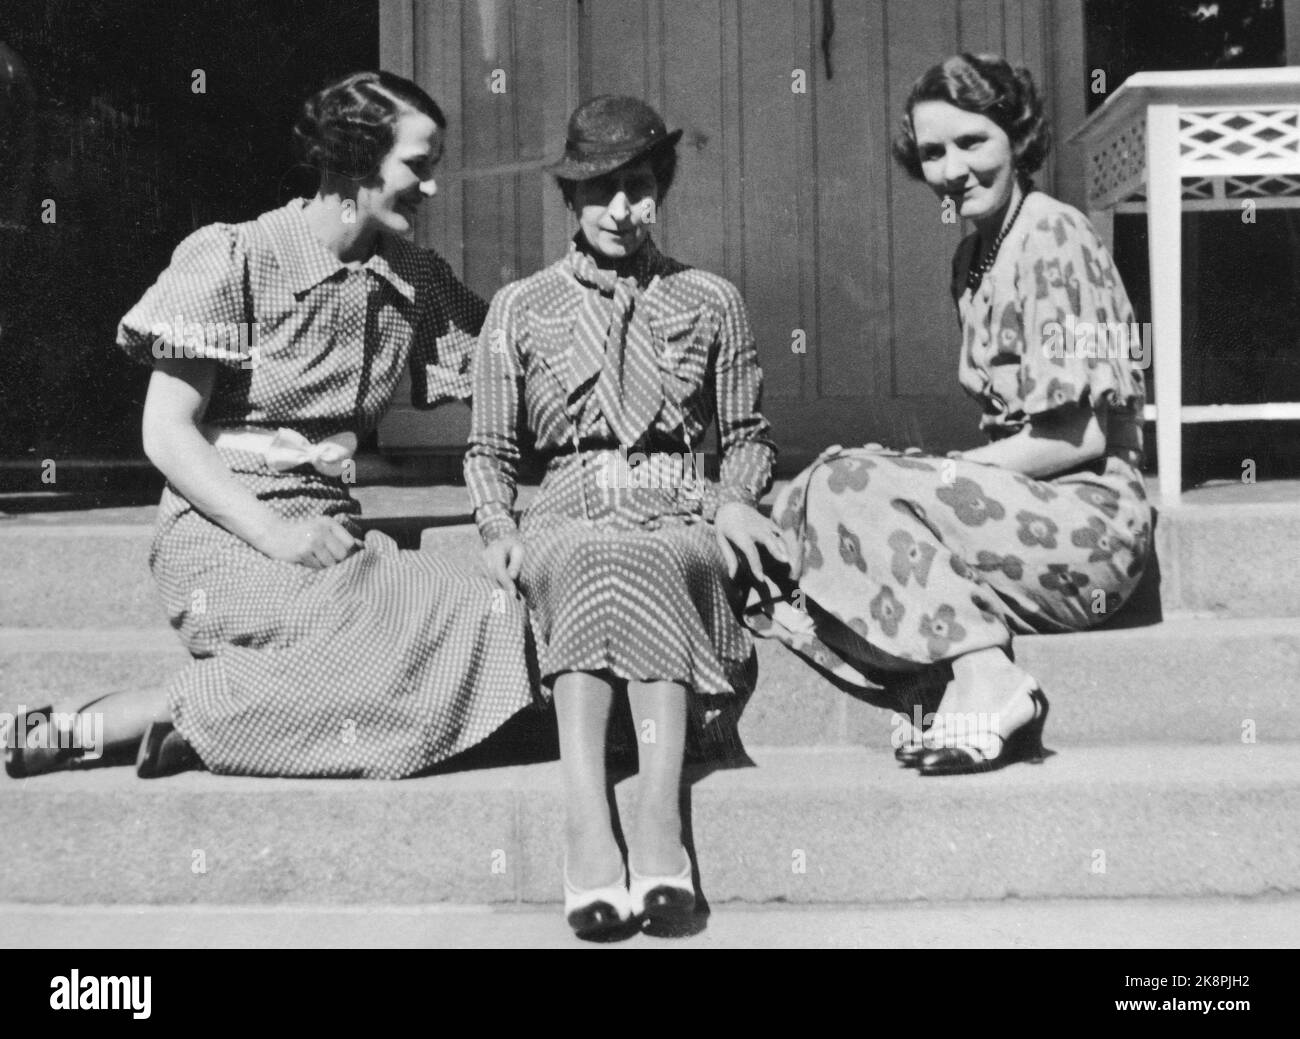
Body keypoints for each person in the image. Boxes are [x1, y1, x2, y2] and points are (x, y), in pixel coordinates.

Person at [4, 71, 536, 780]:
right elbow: (165, 433)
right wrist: (278, 534)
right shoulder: (236, 258)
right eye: (417, 165)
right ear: (352, 158)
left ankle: (174, 713)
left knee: (479, 604)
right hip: (222, 533)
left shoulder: (414, 276)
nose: (431, 186)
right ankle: (115, 719)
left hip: (331, 530)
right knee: (373, 628)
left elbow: (510, 372)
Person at [749, 53, 1152, 776]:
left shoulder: (1054, 235)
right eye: (934, 152)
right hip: (1020, 505)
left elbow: (1085, 433)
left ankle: (985, 675)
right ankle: (954, 668)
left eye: (973, 142)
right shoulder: (973, 257)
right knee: (817, 483)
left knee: (848, 482)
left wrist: (944, 470)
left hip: (1089, 524)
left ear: (1016, 138)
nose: (953, 168)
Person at [465, 96, 779, 936]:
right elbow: (489, 451)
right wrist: (498, 526)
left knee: (642, 555)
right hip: (568, 506)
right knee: (592, 553)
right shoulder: (521, 308)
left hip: (680, 506)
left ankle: (655, 820)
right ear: (570, 198)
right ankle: (587, 820)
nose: (618, 209)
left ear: (659, 190)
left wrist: (737, 503)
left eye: (636, 186)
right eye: (597, 189)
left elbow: (747, 436)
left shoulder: (710, 299)